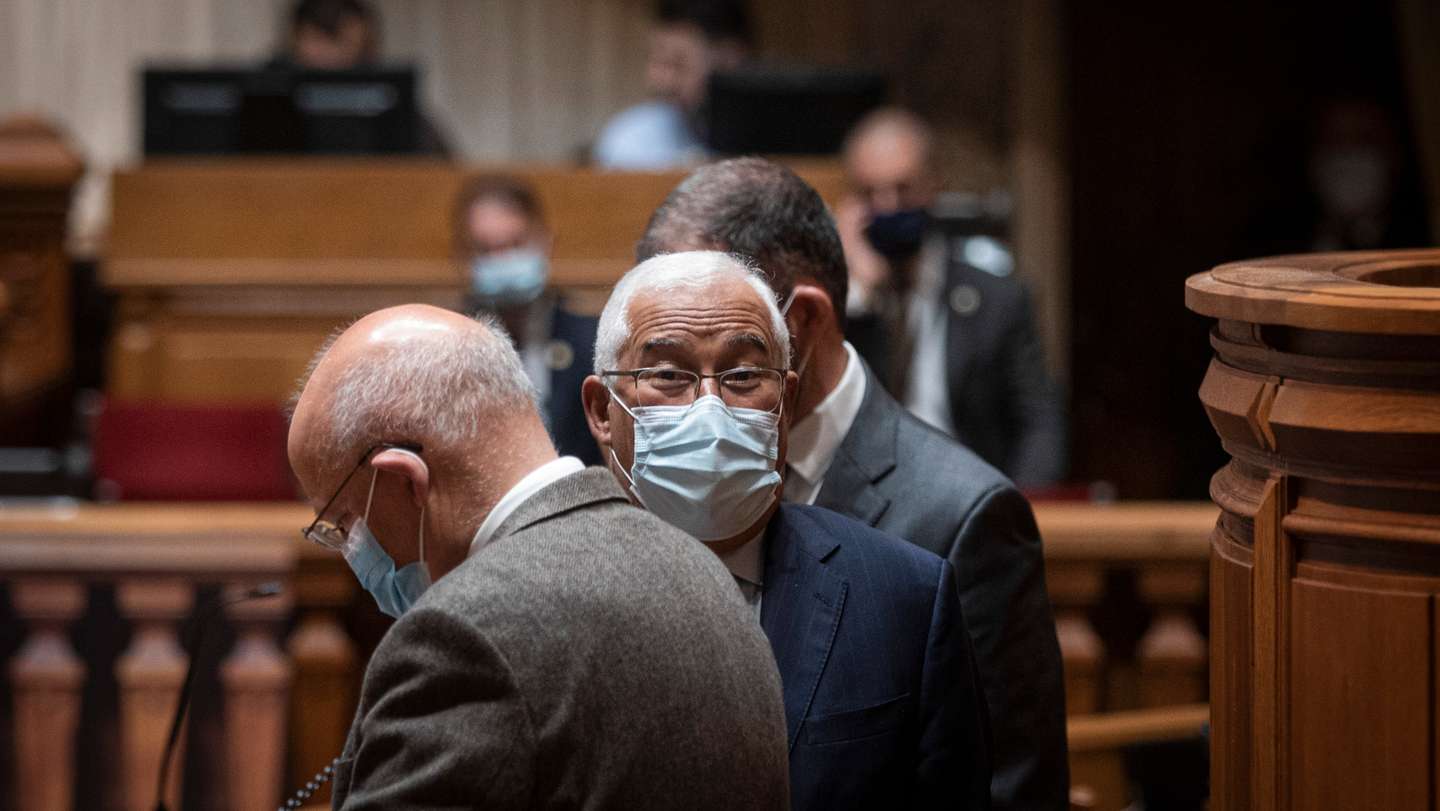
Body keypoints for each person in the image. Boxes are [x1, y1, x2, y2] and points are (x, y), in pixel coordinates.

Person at [635, 158, 1069, 810]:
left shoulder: (961, 520)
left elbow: (1009, 794)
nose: (679, 397)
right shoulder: (655, 476)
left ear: (802, 324)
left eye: (708, 338)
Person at [287, 304, 789, 808]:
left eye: (344, 523)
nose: (349, 551)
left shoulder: (461, 637)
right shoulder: (702, 570)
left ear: (404, 481)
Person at [580, 252, 992, 810]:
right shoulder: (527, 603)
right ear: (603, 410)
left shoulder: (906, 599)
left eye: (744, 376)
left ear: (788, 402)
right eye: (669, 375)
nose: (710, 408)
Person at [836, 108, 1065, 487]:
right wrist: (860, 294)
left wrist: (1017, 512)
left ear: (933, 185)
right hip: (867, 510)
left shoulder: (998, 299)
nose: (889, 206)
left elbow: (1041, 422)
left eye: (903, 189)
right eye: (870, 193)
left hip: (971, 502)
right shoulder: (832, 304)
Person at [454, 175, 601, 465]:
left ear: (545, 241)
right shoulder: (449, 348)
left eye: (515, 244)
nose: (503, 259)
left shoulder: (591, 342)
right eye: (486, 250)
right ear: (463, 256)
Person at [273, 0, 451, 154]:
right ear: (296, 38)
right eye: (318, 40)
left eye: (343, 42)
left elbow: (443, 167)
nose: (331, 55)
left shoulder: (388, 96)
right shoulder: (266, 92)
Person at [591, 0, 752, 169]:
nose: (659, 79)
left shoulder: (767, 135)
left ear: (730, 58)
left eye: (678, 63)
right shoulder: (631, 138)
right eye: (654, 60)